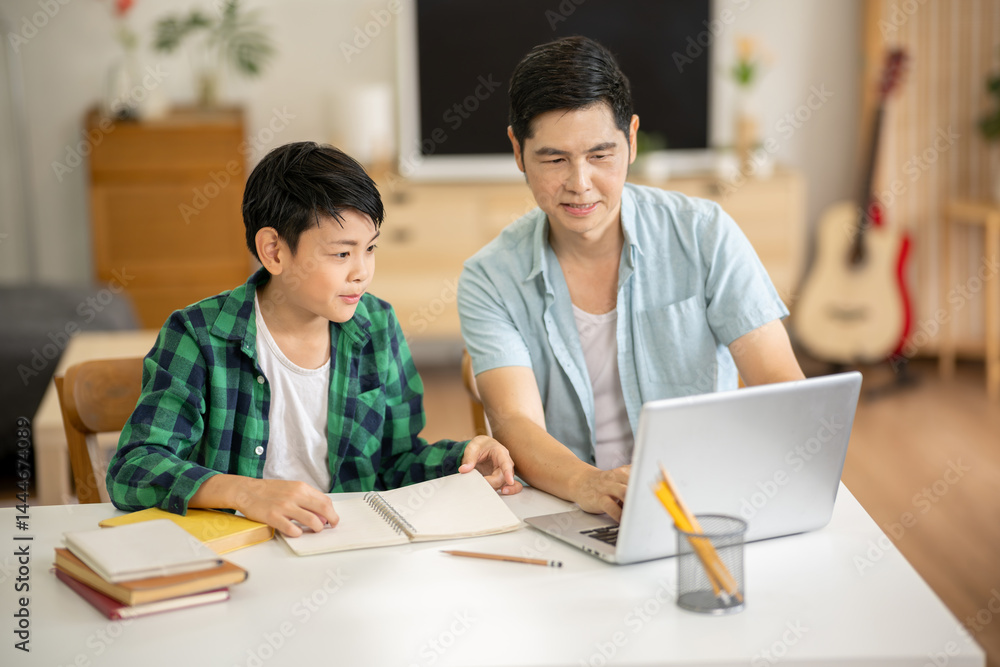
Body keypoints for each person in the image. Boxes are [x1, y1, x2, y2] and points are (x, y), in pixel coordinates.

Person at [457, 36, 804, 521]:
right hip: (573, 506)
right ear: (517, 149)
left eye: (600, 155)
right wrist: (587, 483)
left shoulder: (704, 234)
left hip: (704, 498)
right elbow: (515, 422)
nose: (580, 183)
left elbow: (781, 386)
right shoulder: (489, 278)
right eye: (554, 159)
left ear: (632, 139)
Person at [108, 142, 521, 537]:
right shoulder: (198, 336)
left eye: (370, 249)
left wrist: (460, 461)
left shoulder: (377, 325)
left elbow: (396, 463)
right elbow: (134, 468)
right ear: (273, 251)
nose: (361, 272)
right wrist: (245, 492)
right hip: (240, 555)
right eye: (342, 254)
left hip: (345, 550)